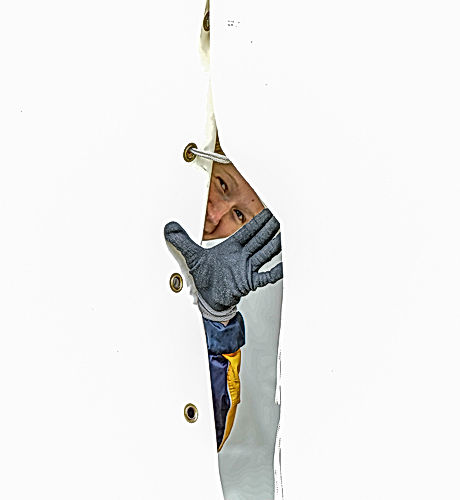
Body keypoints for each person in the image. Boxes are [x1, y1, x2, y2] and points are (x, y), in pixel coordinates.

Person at [165, 138, 283, 450]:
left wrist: (215, 317)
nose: (215, 215)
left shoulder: (209, 281)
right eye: (222, 184)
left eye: (239, 216)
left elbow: (210, 432)